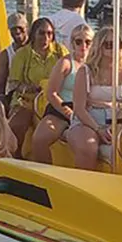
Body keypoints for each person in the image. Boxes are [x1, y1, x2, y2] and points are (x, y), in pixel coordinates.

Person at [66, 27, 122, 170]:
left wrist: (116, 125)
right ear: (99, 46)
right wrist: (98, 129)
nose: (114, 48)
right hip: (88, 118)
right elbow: (79, 108)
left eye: (118, 44)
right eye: (108, 44)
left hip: (116, 119)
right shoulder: (85, 71)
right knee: (88, 146)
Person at [7, 18, 70, 158]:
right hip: (27, 101)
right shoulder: (23, 54)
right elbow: (13, 83)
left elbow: (71, 74)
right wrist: (30, 88)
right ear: (33, 34)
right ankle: (15, 159)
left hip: (55, 100)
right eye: (42, 33)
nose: (46, 38)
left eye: (50, 33)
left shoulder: (60, 51)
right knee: (18, 125)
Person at [31, 24, 93, 164]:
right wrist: (70, 114)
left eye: (88, 42)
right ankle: (46, 176)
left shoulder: (95, 65)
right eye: (79, 41)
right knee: (38, 140)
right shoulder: (65, 63)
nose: (83, 45)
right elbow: (51, 94)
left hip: (87, 110)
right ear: (72, 43)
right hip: (62, 108)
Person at [0, 12, 29, 103]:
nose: (17, 31)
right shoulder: (6, 55)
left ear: (27, 27)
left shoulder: (35, 49)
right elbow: (0, 85)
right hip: (16, 97)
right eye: (13, 29)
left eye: (20, 28)